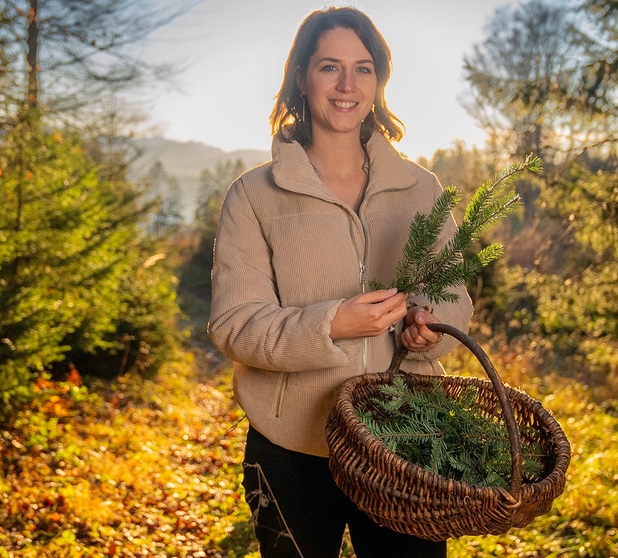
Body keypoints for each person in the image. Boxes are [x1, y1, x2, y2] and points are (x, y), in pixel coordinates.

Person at [207, 6, 474, 558]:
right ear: (301, 76)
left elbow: (453, 298)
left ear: (379, 82)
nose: (348, 84)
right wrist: (333, 323)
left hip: (408, 436)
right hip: (292, 444)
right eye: (330, 67)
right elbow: (235, 325)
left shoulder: (421, 189)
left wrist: (431, 331)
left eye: (364, 68)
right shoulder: (254, 195)